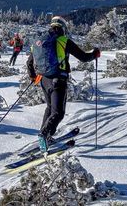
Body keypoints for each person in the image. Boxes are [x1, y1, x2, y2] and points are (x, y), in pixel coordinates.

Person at [26, 16, 100, 152]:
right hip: (58, 80)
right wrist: (94, 54)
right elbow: (83, 57)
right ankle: (44, 134)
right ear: (63, 28)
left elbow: (29, 62)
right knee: (58, 112)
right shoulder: (64, 41)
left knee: (49, 108)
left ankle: (45, 135)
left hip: (44, 80)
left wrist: (33, 76)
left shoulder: (40, 41)